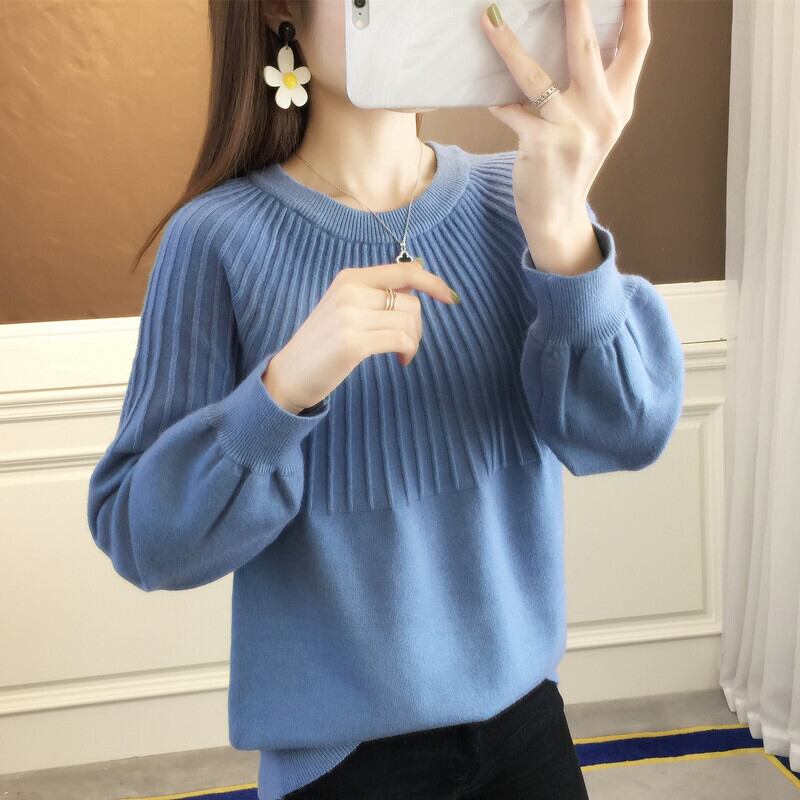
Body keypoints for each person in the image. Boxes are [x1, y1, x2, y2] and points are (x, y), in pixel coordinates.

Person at [87, 1, 677, 798]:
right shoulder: (215, 239)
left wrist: (564, 230)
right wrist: (283, 393)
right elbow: (143, 540)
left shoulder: (524, 196)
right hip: (344, 768)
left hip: (528, 733)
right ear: (280, 9)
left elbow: (630, 432)